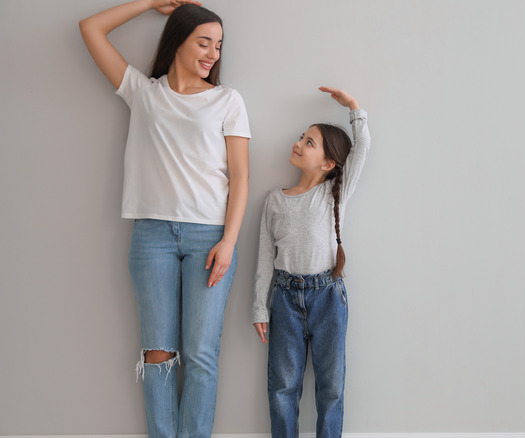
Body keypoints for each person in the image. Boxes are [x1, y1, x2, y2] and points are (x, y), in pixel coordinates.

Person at [79, 1, 251, 437]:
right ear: (177, 40)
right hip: (151, 236)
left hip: (209, 237)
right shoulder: (143, 92)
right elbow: (91, 28)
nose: (213, 53)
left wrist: (229, 241)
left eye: (218, 45)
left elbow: (241, 178)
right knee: (157, 354)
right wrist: (151, 2)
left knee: (200, 354)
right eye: (203, 42)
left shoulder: (227, 100)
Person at [252, 87, 370, 438]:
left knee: (331, 388)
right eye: (301, 137)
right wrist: (260, 307)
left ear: (328, 163)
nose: (299, 143)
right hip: (285, 300)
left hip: (328, 298)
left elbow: (361, 150)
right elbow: (263, 259)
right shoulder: (274, 200)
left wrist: (353, 108)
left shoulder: (333, 193)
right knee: (282, 388)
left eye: (310, 142)